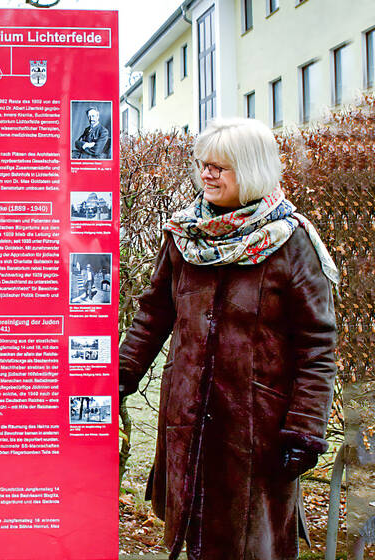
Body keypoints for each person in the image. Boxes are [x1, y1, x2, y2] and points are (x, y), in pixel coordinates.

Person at [119, 118, 338, 560]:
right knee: (196, 535)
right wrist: (119, 376)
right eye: (203, 164)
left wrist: (305, 430)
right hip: (187, 417)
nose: (207, 174)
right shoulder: (184, 236)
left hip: (257, 429)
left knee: (249, 542)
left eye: (220, 166)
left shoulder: (291, 242)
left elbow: (317, 346)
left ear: (253, 169)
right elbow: (153, 315)